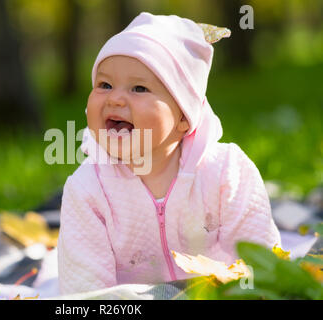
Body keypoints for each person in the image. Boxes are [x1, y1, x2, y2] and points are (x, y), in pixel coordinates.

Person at [57, 12, 281, 295]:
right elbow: (84, 289)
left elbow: (261, 259)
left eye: (139, 88)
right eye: (104, 85)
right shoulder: (88, 189)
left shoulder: (228, 172)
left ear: (184, 118)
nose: (115, 98)